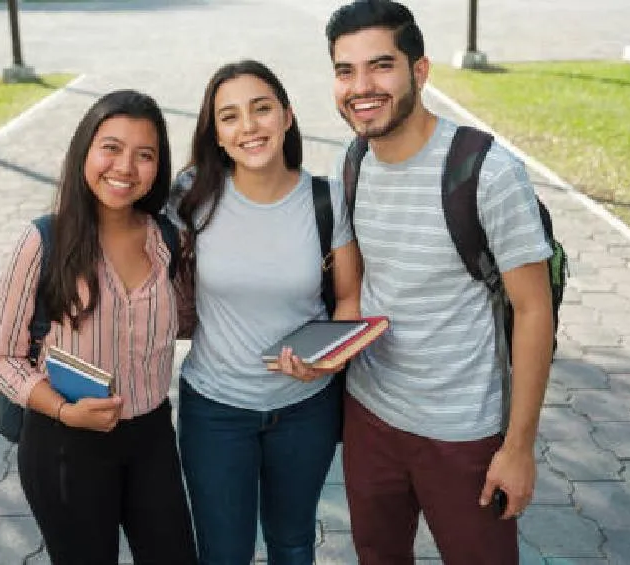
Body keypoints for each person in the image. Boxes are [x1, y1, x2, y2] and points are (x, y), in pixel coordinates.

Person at [324, 1, 555, 564]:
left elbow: (533, 311)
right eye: (345, 70)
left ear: (419, 71)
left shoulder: (489, 172)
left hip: (464, 432)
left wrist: (519, 448)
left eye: (381, 66)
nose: (362, 87)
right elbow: (356, 297)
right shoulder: (351, 165)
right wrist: (320, 354)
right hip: (371, 418)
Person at [0, 90, 197, 565]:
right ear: (85, 151)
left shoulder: (167, 240)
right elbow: (0, 359)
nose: (125, 167)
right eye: (111, 148)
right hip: (66, 442)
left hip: (151, 437)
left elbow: (187, 320)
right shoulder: (43, 240)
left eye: (145, 155)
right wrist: (62, 410)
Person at [169, 59, 361, 564]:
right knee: (224, 553)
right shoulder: (193, 198)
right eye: (229, 116)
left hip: (306, 408)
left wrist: (328, 359)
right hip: (214, 410)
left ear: (287, 116)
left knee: (293, 544)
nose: (249, 126)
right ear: (216, 134)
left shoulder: (326, 200)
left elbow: (348, 298)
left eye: (261, 109)